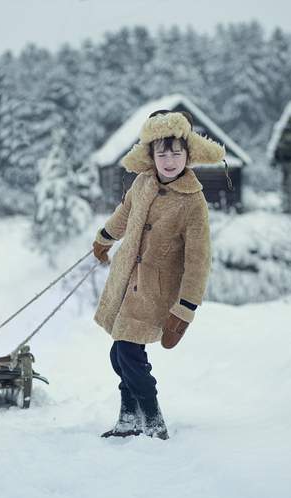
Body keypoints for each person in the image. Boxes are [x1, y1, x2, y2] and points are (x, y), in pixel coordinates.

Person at [92, 110, 225, 440]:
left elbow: (198, 259)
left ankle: (153, 421)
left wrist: (186, 307)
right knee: (120, 354)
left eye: (176, 153)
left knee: (128, 353)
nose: (169, 161)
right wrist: (105, 237)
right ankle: (129, 419)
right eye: (162, 154)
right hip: (127, 281)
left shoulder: (193, 201)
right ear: (150, 155)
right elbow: (125, 213)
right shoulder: (142, 182)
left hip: (156, 290)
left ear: (188, 155)